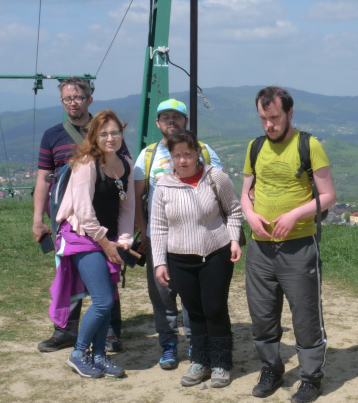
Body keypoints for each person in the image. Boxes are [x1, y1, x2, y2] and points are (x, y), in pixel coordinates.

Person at [241, 86, 337, 403]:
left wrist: (295, 214)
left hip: (298, 246)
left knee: (305, 315)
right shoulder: (255, 147)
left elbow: (328, 196)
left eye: (275, 118)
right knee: (262, 315)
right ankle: (271, 368)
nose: (269, 125)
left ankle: (311, 377)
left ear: (289, 113)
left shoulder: (309, 145)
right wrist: (249, 215)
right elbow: (246, 193)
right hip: (260, 248)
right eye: (263, 118)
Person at [33, 77, 128, 353]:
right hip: (66, 218)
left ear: (89, 99)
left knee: (109, 269)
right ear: (62, 101)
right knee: (67, 272)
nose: (73, 103)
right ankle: (66, 331)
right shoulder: (52, 135)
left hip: (104, 214)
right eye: (67, 98)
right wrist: (38, 220)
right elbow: (43, 179)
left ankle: (110, 332)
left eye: (78, 97)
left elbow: (123, 168)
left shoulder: (106, 130)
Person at [133, 99, 223, 371]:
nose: (171, 122)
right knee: (162, 294)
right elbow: (137, 197)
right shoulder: (148, 155)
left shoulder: (204, 151)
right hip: (160, 236)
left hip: (197, 237)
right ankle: (168, 344)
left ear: (186, 121)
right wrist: (144, 230)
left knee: (192, 294)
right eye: (165, 117)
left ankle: (196, 342)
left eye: (177, 117)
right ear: (158, 123)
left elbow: (220, 189)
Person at [150, 130, 243, 389]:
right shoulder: (163, 186)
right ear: (171, 157)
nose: (182, 160)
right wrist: (159, 262)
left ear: (197, 154)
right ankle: (200, 361)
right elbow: (158, 227)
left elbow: (234, 211)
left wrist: (234, 239)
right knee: (193, 310)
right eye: (177, 155)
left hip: (216, 253)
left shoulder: (215, 177)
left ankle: (221, 362)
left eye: (188, 154)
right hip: (179, 258)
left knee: (214, 308)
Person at [50, 110, 134, 379]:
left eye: (115, 133)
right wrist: (106, 243)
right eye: (104, 134)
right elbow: (84, 212)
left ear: (122, 134)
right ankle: (78, 354)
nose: (110, 138)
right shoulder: (86, 164)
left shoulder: (125, 164)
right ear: (94, 137)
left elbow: (127, 208)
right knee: (102, 301)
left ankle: (99, 356)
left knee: (107, 300)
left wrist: (124, 241)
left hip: (107, 239)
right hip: (82, 237)